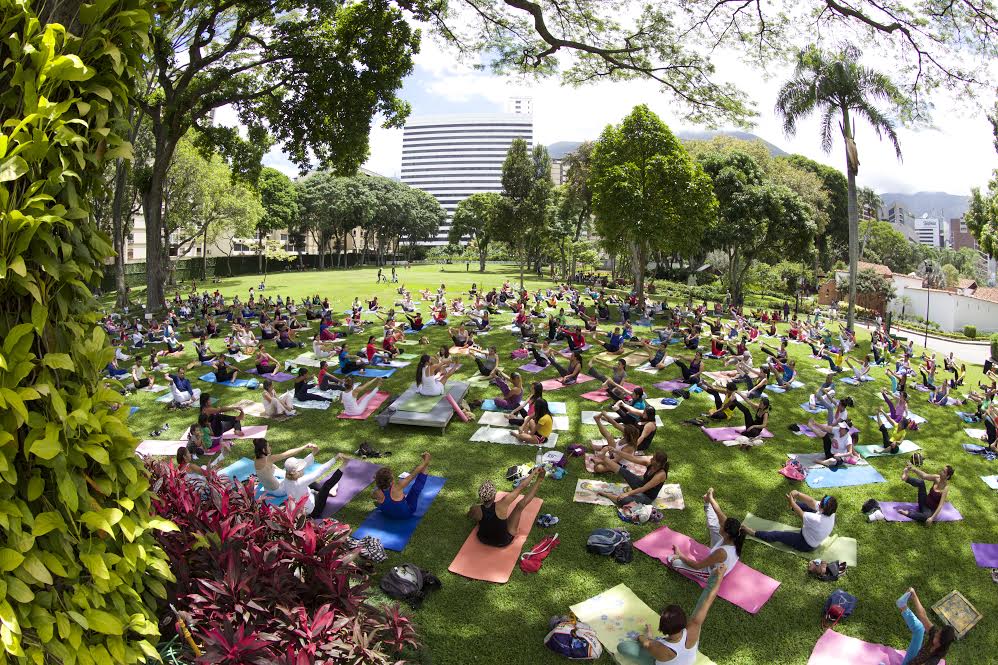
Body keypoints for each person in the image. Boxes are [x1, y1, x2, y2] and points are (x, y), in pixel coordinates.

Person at [616, 565, 725, 664]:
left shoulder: (660, 648)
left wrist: (641, 637)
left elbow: (646, 644)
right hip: (689, 661)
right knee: (701, 607)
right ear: (684, 621)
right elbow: (707, 601)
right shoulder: (694, 627)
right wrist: (719, 578)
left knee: (623, 647)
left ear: (663, 628)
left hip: (661, 654)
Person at [668, 488, 743, 582]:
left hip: (710, 574)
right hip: (721, 555)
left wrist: (680, 555)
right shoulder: (735, 535)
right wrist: (710, 498)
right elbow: (718, 512)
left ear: (727, 533)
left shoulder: (721, 552)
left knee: (675, 562)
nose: (720, 524)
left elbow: (697, 566)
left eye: (722, 525)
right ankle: (707, 505)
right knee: (714, 526)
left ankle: (679, 560)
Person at [469, 468, 546, 547]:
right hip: (503, 541)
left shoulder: (475, 509)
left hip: (483, 539)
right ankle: (539, 480)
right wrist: (534, 472)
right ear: (494, 495)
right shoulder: (502, 503)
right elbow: (521, 486)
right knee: (520, 506)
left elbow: (472, 514)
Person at [740, 490, 837, 552]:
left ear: (823, 510)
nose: (818, 504)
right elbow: (812, 502)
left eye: (820, 506)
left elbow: (800, 513)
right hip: (814, 533)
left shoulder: (816, 520)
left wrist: (792, 502)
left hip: (806, 544)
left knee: (778, 535)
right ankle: (793, 504)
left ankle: (751, 532)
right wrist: (797, 493)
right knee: (804, 505)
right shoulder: (831, 512)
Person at [893, 587, 956, 665]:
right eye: (938, 632)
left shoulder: (934, 659)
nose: (935, 634)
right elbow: (923, 615)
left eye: (938, 636)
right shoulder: (934, 634)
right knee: (919, 629)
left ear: (941, 643)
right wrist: (914, 595)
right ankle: (902, 606)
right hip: (915, 656)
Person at [279, 452, 350, 518]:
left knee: (311, 484)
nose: (303, 469)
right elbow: (321, 470)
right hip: (314, 511)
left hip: (300, 507)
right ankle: (345, 463)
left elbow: (295, 490)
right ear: (297, 472)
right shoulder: (301, 481)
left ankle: (321, 491)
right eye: (301, 469)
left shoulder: (286, 480)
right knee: (326, 486)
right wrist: (335, 458)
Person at [879, 463, 953, 525]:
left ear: (947, 476)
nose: (941, 472)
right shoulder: (937, 478)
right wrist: (913, 468)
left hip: (929, 510)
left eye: (944, 472)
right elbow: (924, 476)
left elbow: (940, 506)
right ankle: (906, 478)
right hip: (923, 501)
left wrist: (932, 518)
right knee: (921, 483)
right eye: (942, 470)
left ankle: (908, 513)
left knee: (926, 517)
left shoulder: (945, 488)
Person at [593, 449, 669, 505]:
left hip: (647, 497)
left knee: (623, 500)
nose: (651, 458)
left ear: (658, 463)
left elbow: (643, 489)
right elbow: (632, 458)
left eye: (653, 458)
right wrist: (615, 450)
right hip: (640, 486)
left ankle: (607, 495)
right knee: (625, 471)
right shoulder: (650, 464)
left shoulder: (660, 475)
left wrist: (627, 494)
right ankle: (603, 457)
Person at [373, 453, 433, 519]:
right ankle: (426, 465)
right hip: (406, 514)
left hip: (387, 513)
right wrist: (425, 462)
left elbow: (374, 496)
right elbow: (414, 473)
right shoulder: (398, 487)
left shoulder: (376, 491)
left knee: (387, 500)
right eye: (392, 477)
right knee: (415, 490)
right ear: (390, 482)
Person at [253, 439, 319, 492]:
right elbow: (287, 454)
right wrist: (304, 447)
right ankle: (313, 454)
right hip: (279, 491)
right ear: (263, 450)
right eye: (268, 446)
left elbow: (271, 466)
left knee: (283, 469)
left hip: (267, 489)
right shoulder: (269, 460)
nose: (270, 448)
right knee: (298, 470)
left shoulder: (257, 458)